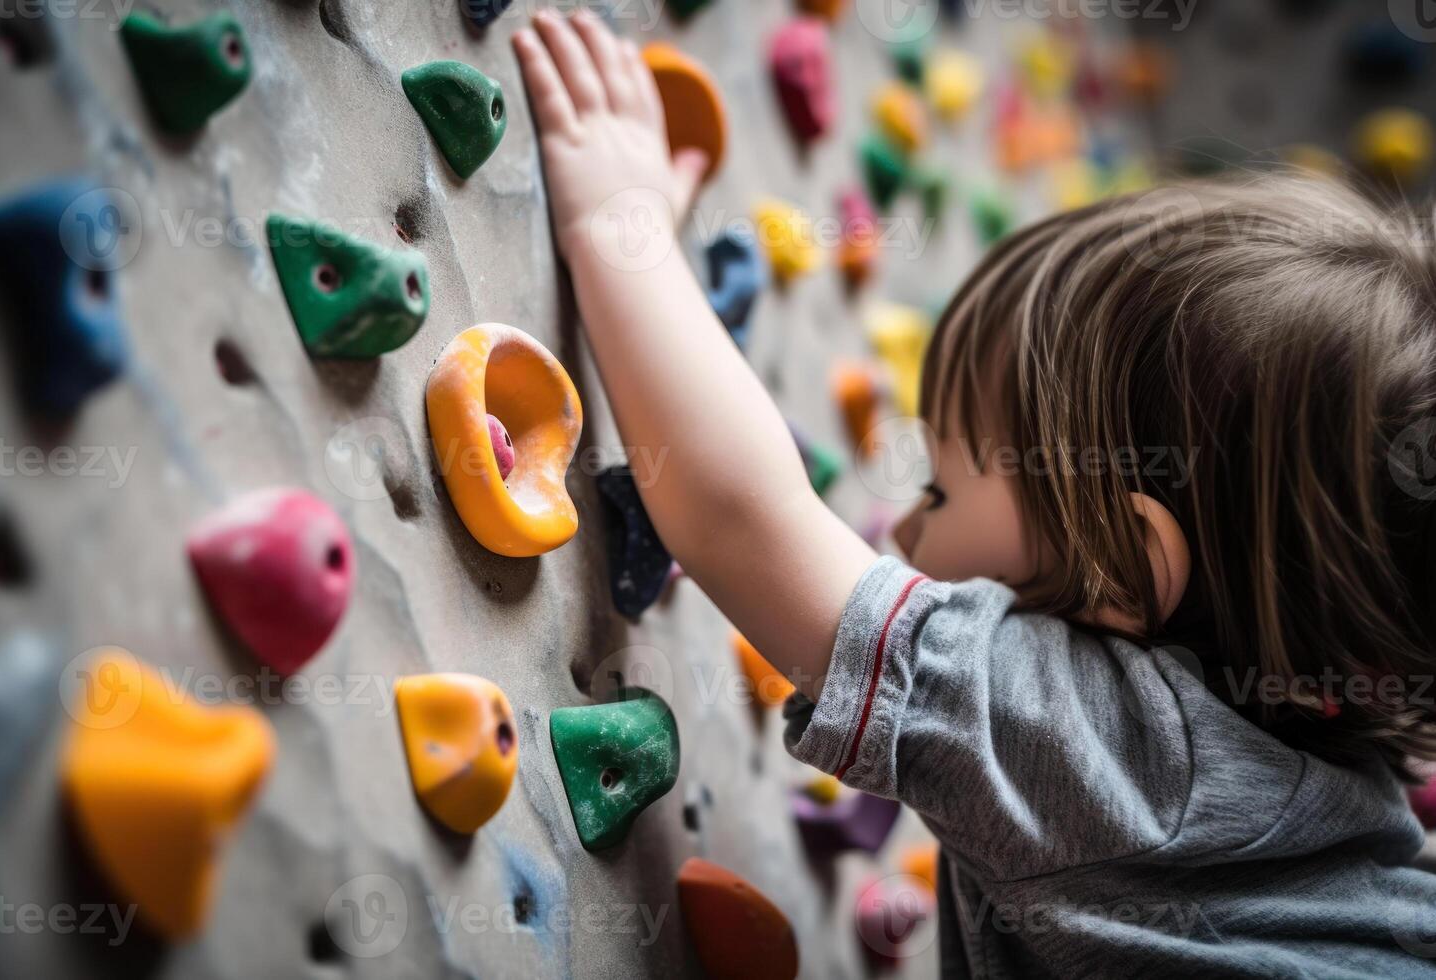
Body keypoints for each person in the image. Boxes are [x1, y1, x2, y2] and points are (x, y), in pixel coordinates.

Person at [512, 9, 1436, 975]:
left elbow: (738, 515)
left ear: (1119, 566)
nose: (902, 526)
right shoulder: (1358, 816)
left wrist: (618, 226)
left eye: (942, 492)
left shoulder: (1115, 757)